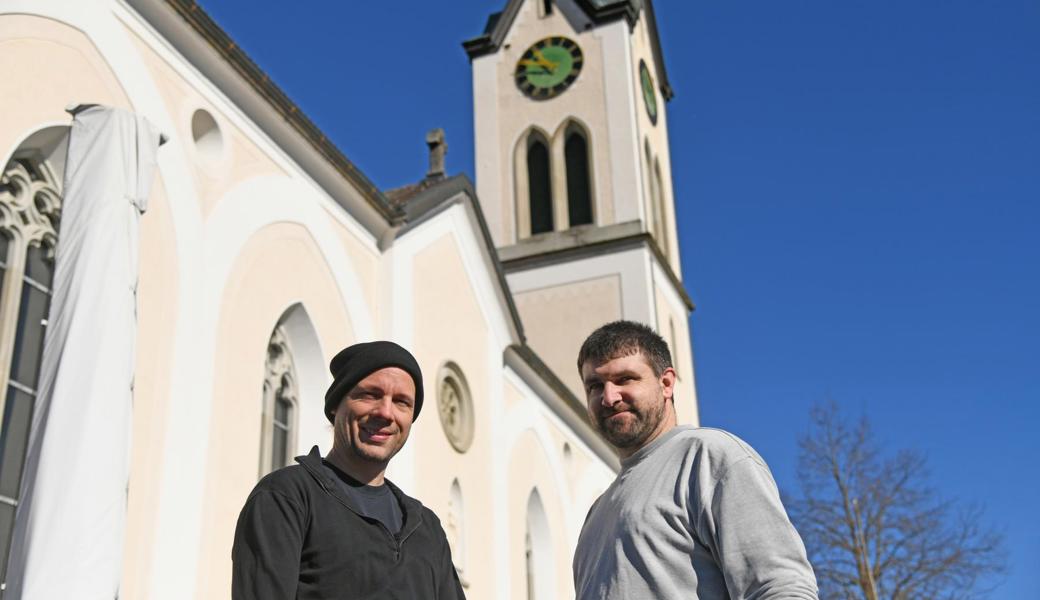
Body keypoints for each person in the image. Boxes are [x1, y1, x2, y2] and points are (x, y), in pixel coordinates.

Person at [572, 321, 818, 600]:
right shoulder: (596, 514)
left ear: (666, 383)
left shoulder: (708, 457)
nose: (609, 397)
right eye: (595, 386)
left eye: (625, 379)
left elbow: (780, 587)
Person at [232, 341, 465, 600]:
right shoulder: (287, 498)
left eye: (401, 402)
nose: (386, 412)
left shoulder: (426, 527)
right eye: (370, 394)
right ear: (335, 405)